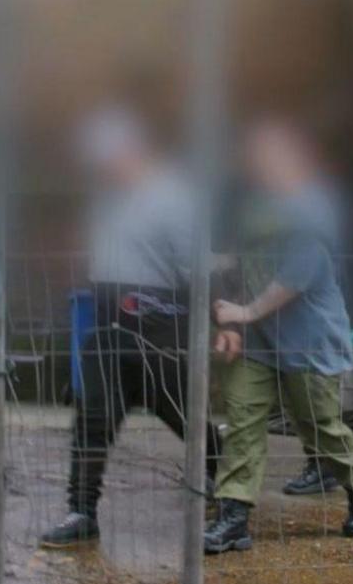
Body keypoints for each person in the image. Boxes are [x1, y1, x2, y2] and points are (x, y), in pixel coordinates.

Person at [40, 107, 221, 547]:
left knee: (186, 417)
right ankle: (81, 511)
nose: (102, 169)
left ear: (132, 150)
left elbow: (197, 268)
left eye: (107, 159)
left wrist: (212, 321)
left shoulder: (174, 197)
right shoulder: (106, 199)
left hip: (161, 326)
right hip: (107, 323)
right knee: (93, 418)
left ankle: (224, 473)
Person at [206, 118, 353, 552]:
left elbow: (301, 272)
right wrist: (229, 322)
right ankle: (233, 517)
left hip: (309, 337)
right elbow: (222, 263)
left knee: (317, 425)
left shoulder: (315, 206)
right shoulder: (245, 206)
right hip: (257, 339)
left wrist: (246, 311)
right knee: (243, 420)